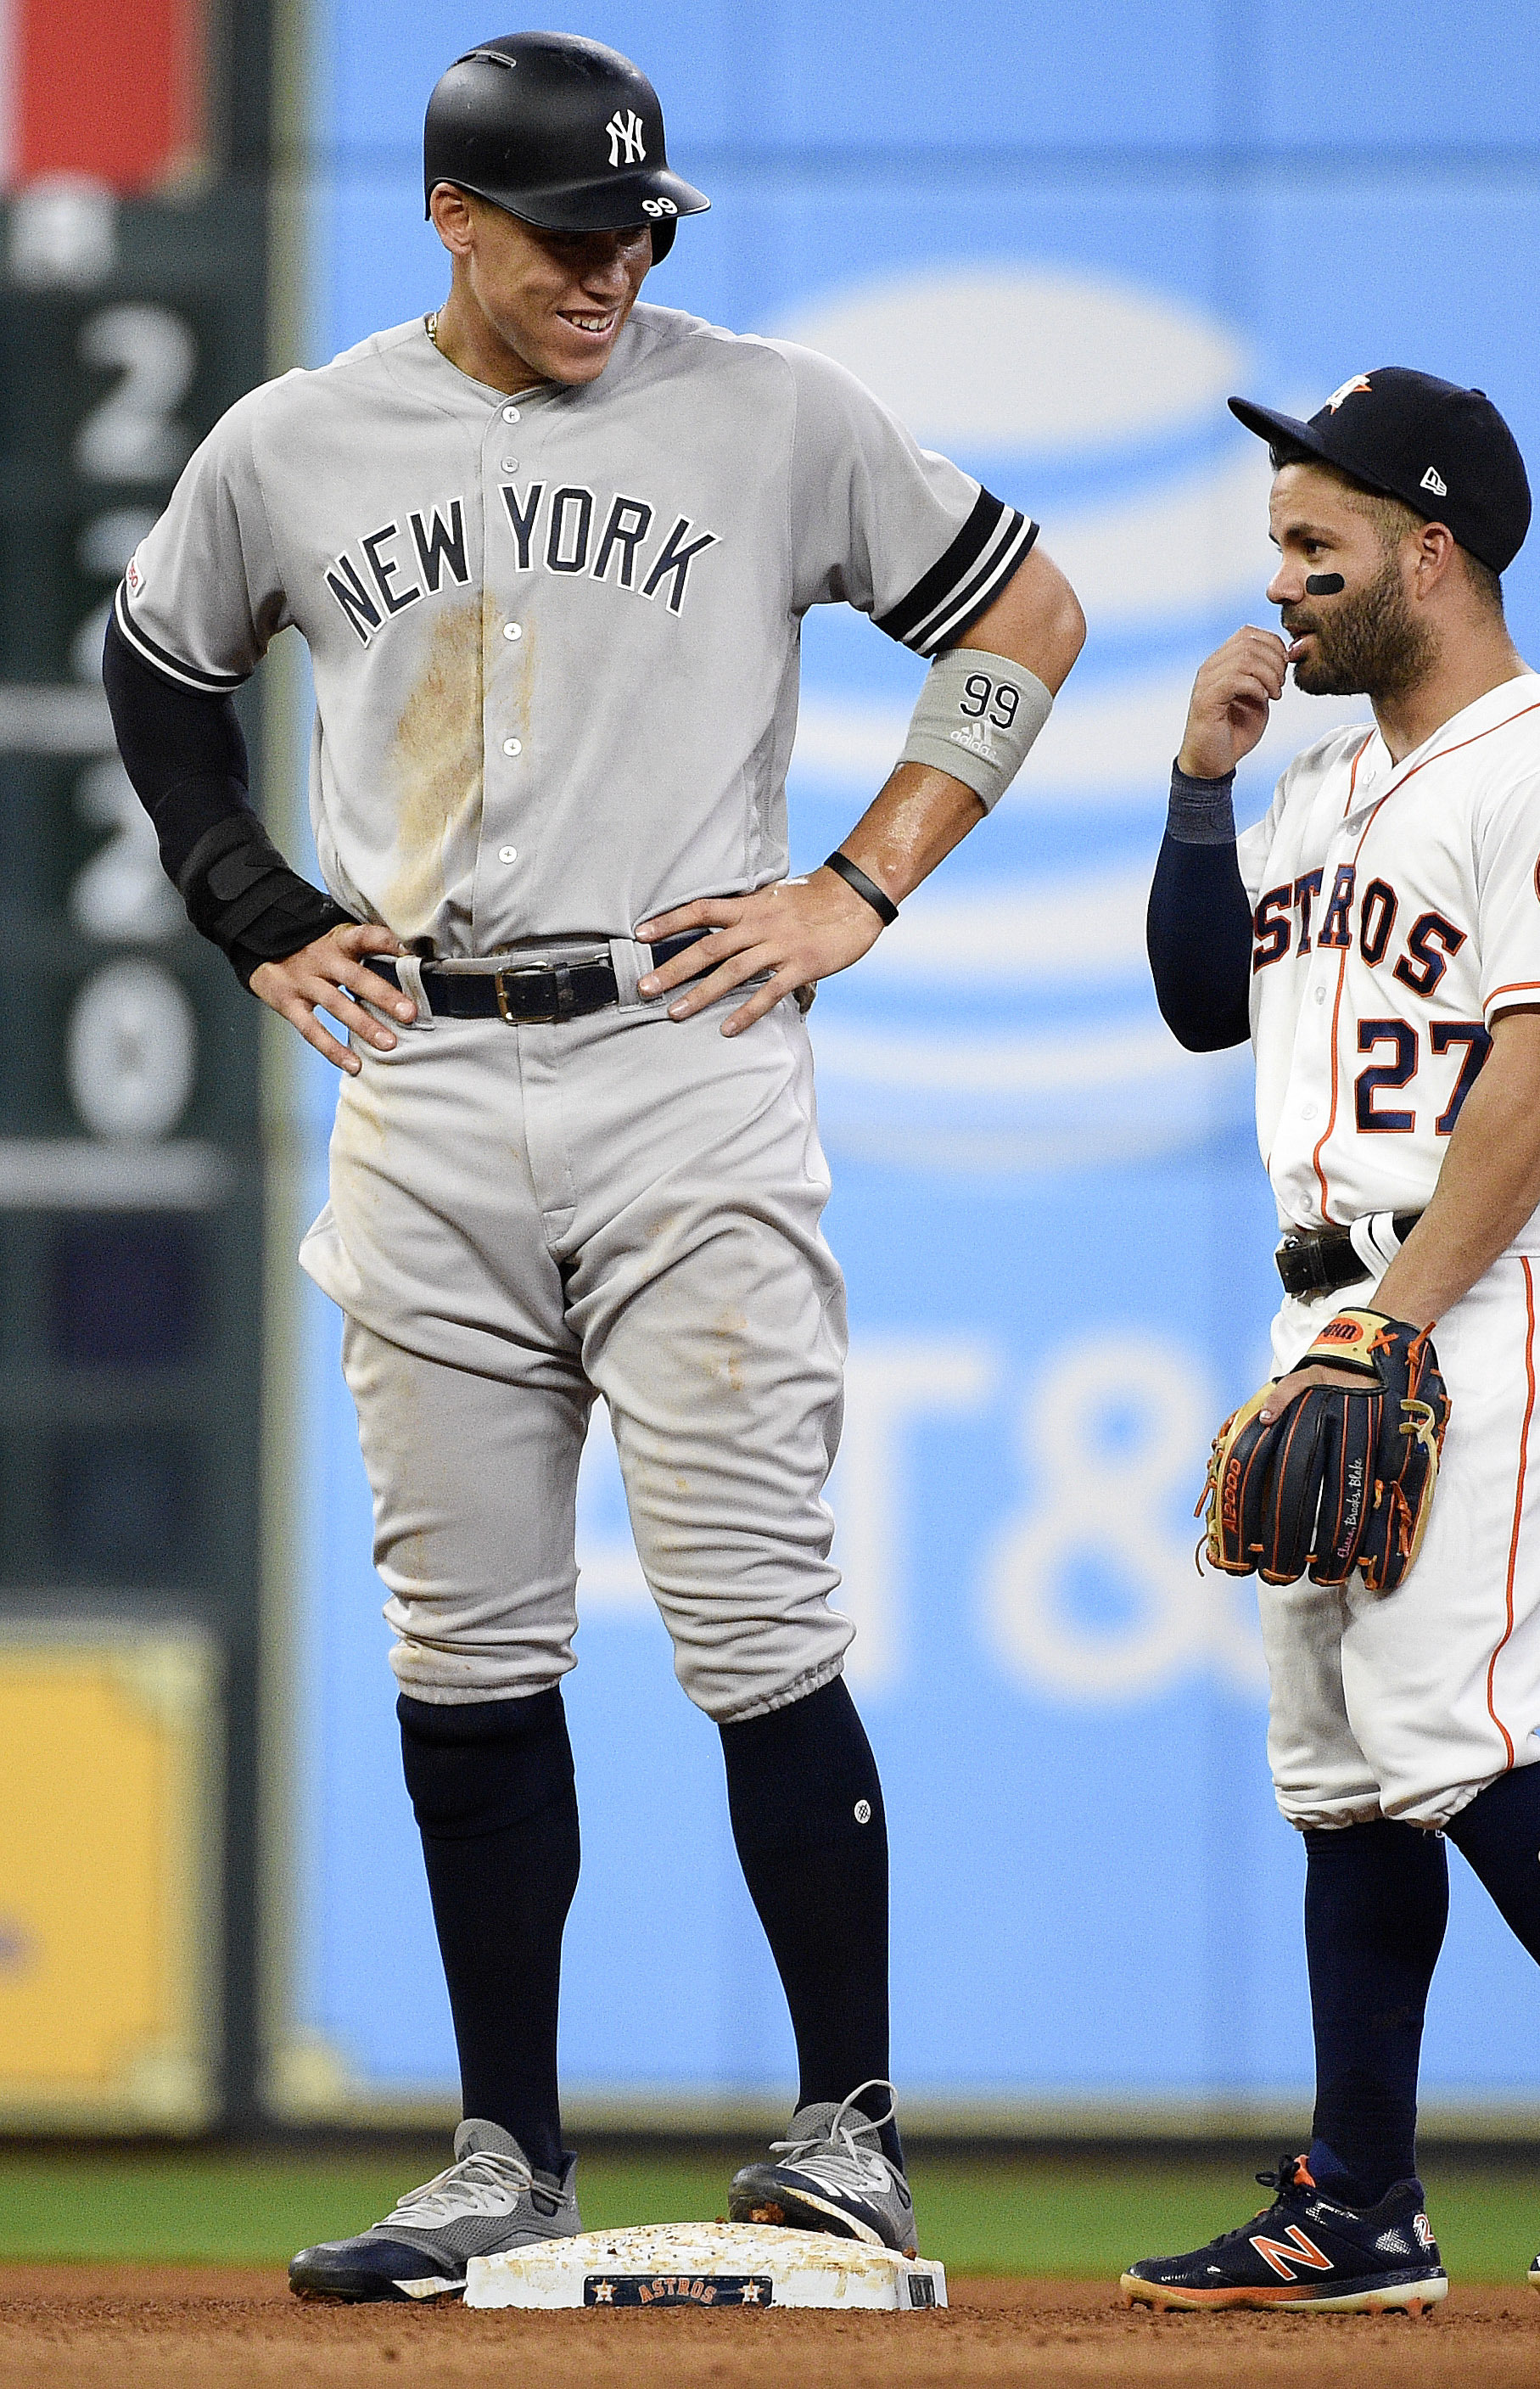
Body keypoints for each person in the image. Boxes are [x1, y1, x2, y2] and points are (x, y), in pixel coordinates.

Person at [101, 29, 1082, 2302]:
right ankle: (500, 2155)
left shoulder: (772, 409)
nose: (612, 267)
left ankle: (847, 2132)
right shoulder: (297, 441)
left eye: (641, 229)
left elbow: (1022, 616)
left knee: (752, 1620)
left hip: (680, 1048)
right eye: (568, 231)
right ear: (450, 216)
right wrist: (249, 904)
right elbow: (160, 665)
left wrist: (866, 878)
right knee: (466, 1641)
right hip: (424, 1072)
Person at [1120, 368, 1540, 2315]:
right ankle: (1356, 2200)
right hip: (1338, 1299)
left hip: (1477, 1289)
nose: (1285, 582)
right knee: (1337, 1773)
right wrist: (1196, 785)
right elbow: (1194, 1009)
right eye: (1277, 550)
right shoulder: (1323, 772)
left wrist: (1390, 1327)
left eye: (1316, 548)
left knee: (1455, 1735)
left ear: (1431, 546)